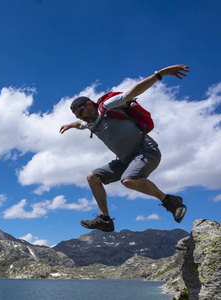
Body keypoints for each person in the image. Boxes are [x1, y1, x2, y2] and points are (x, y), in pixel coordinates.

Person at [60, 65, 189, 232]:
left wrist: (160, 74)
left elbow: (133, 92)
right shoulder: (90, 123)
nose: (81, 116)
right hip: (125, 160)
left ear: (89, 104)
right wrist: (71, 124)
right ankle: (105, 219)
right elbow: (80, 125)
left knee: (128, 180)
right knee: (92, 177)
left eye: (81, 111)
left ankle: (171, 201)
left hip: (146, 151)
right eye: (78, 115)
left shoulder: (107, 106)